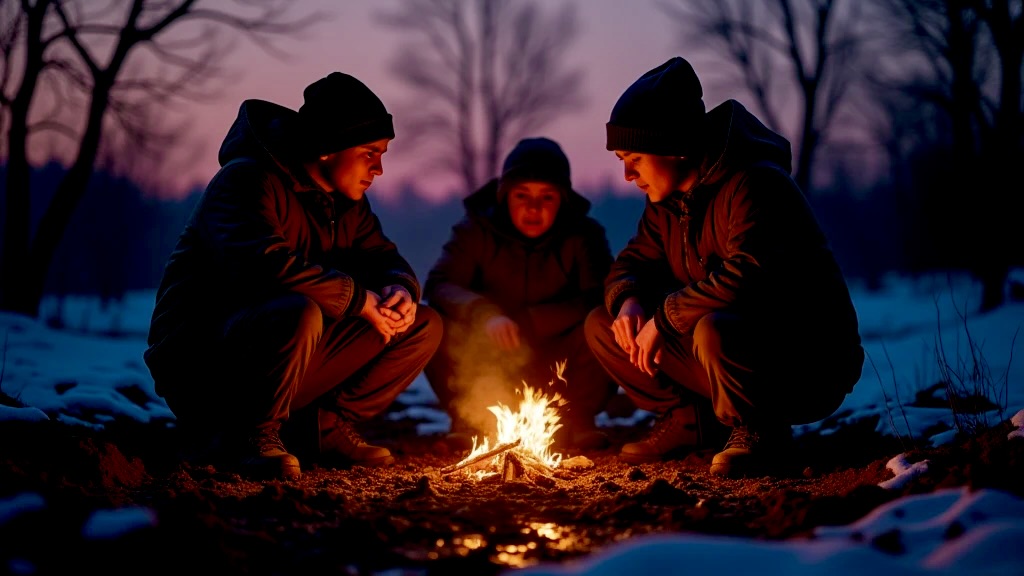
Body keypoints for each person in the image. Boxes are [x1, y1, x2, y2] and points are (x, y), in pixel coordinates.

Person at [144, 71, 443, 481]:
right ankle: (249, 435)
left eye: (383, 154)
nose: (379, 168)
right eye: (369, 153)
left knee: (421, 324)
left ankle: (322, 427)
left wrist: (399, 288)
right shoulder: (245, 180)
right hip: (203, 364)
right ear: (329, 148)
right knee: (298, 310)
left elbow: (381, 256)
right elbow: (263, 265)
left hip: (290, 352)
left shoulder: (347, 204)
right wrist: (358, 300)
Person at [584, 56, 865, 478]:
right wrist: (629, 300)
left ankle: (759, 428)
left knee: (713, 327)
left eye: (635, 158)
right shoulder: (665, 204)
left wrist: (665, 318)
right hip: (720, 349)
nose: (626, 174)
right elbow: (632, 262)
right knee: (603, 325)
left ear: (674, 147)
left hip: (805, 360)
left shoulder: (755, 182)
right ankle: (691, 421)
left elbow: (750, 273)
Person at [424, 137, 618, 452]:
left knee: (602, 321)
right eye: (522, 195)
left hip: (559, 365)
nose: (533, 208)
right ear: (505, 196)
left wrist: (536, 321)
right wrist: (484, 313)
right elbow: (440, 284)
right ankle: (471, 420)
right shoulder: (476, 230)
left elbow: (599, 295)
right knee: (437, 322)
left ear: (563, 199)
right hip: (491, 362)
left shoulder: (584, 235)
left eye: (547, 197)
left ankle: (576, 418)